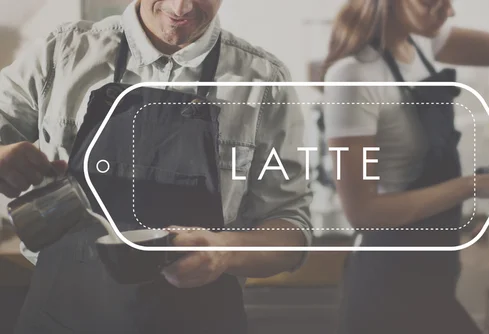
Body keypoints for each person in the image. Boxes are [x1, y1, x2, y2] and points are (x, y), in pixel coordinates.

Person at [0, 0, 312, 333]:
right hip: (60, 319)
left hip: (199, 321)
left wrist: (223, 251)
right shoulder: (63, 52)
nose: (182, 7)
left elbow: (291, 229)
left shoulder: (263, 80)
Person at [322, 0, 489, 333]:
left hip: (436, 278)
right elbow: (363, 212)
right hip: (387, 291)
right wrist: (475, 185)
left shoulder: (425, 41)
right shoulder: (352, 76)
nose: (449, 13)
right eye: (433, 3)